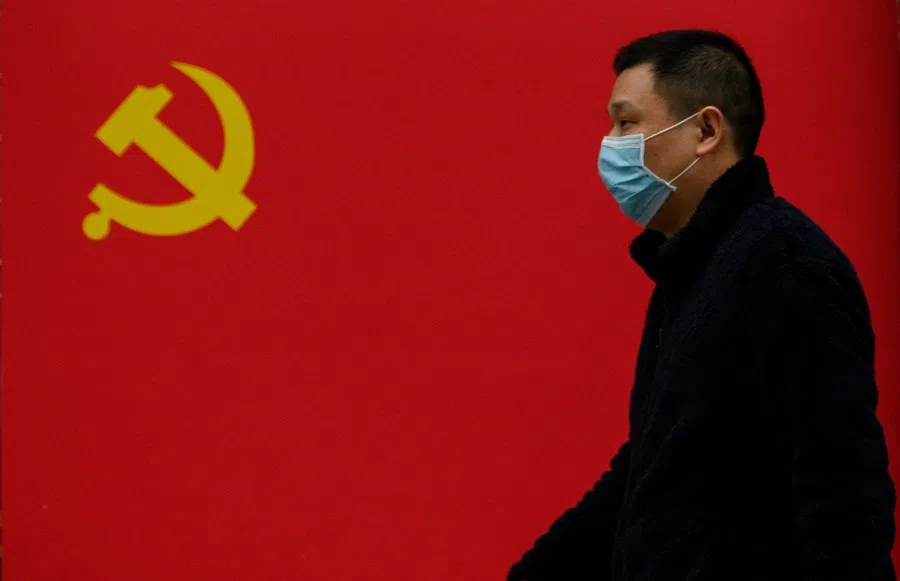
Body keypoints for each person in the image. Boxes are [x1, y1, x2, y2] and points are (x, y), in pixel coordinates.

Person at [507, 29, 896, 581]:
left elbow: (841, 490)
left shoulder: (786, 266)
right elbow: (649, 468)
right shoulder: (692, 268)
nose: (610, 145)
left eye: (627, 122)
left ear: (706, 130)